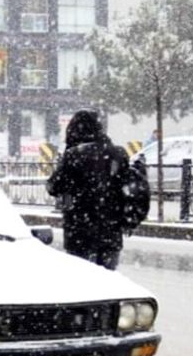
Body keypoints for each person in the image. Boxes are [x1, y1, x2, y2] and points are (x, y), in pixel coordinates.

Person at [46, 109, 134, 271]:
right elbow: (129, 187)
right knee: (108, 279)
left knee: (82, 280)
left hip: (79, 230)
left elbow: (54, 186)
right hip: (111, 230)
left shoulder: (73, 155)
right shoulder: (118, 154)